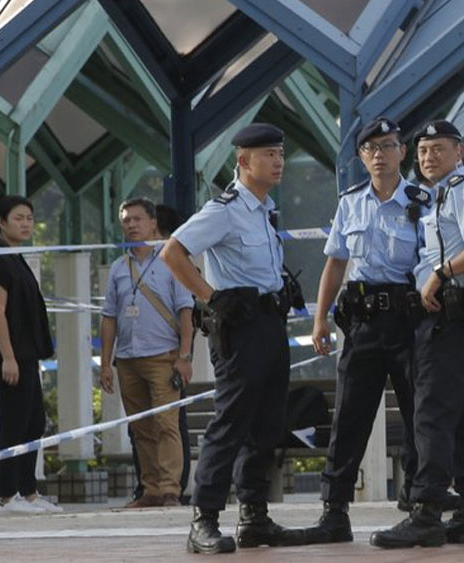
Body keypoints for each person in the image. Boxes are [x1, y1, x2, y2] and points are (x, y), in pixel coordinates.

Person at [161, 124, 307, 554]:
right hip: (239, 328)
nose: (278, 161)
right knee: (230, 424)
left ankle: (254, 517)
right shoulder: (223, 210)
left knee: (267, 423)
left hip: (269, 322)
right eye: (268, 155)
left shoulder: (265, 208)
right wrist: (211, 298)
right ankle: (203, 520)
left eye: (280, 153)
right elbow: (173, 252)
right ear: (243, 161)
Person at [370, 120, 464, 548]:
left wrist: (439, 276)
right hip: (459, 315)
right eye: (424, 151)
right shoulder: (440, 194)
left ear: (459, 152)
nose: (429, 158)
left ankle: (426, 511)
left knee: (432, 414)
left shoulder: (463, 189)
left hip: (451, 318)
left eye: (439, 150)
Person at [303, 117, 425, 543]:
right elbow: (335, 261)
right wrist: (319, 319)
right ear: (361, 156)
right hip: (363, 322)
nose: (379, 155)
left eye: (388, 146)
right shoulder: (350, 202)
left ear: (402, 152)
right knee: (350, 416)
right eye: (371, 148)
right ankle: (334, 510)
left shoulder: (423, 200)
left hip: (410, 319)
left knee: (420, 414)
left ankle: (419, 501)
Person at [100, 198, 194, 508]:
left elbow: (185, 312)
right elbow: (109, 317)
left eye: (137, 219)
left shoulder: (171, 260)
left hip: (163, 356)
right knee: (140, 427)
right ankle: (150, 489)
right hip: (127, 359)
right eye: (126, 220)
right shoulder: (117, 267)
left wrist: (185, 356)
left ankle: (170, 489)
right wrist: (105, 363)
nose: (131, 225)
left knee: (167, 424)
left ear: (153, 223)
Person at [0, 195, 60, 514]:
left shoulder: (17, 257)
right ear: (1, 222)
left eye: (29, 217)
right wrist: (7, 357)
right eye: (18, 218)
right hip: (10, 356)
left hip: (28, 355)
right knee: (14, 424)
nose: (26, 223)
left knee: (34, 421)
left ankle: (28, 491)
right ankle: (6, 495)